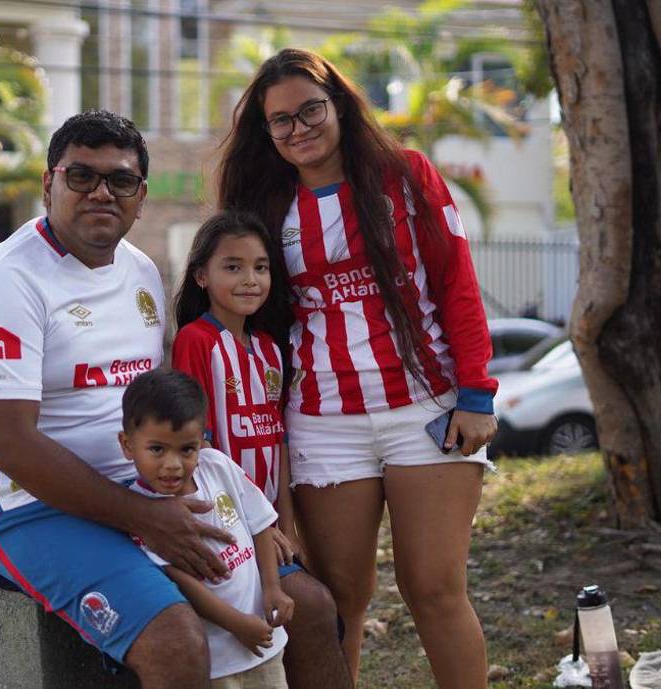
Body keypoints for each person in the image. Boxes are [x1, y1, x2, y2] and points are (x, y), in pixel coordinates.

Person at [0, 110, 351, 689]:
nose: (101, 193)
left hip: (148, 483)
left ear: (141, 195)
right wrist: (146, 519)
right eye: (81, 176)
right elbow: (9, 446)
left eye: (121, 180)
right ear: (48, 183)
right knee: (177, 641)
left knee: (307, 606)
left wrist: (190, 492)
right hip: (31, 508)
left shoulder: (140, 271)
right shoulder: (4, 280)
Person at [215, 49, 499, 688]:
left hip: (427, 411)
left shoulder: (406, 177)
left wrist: (477, 392)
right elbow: (253, 316)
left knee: (433, 589)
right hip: (322, 423)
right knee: (339, 598)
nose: (298, 128)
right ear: (267, 134)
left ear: (338, 104)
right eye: (280, 121)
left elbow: (457, 284)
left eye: (309, 109)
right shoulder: (263, 204)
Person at [121, 369, 294, 689]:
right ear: (127, 445)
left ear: (201, 442)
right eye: (157, 449)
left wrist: (272, 587)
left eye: (186, 450)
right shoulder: (142, 510)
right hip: (219, 659)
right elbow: (181, 581)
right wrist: (236, 624)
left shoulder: (218, 466)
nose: (172, 464)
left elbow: (259, 525)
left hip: (264, 642)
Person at [171, 210, 302, 566]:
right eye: (233, 267)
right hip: (229, 521)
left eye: (261, 267)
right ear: (201, 276)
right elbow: (201, 445)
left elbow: (280, 444)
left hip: (271, 527)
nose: (250, 279)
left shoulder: (270, 349)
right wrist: (255, 524)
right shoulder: (195, 340)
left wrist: (285, 527)